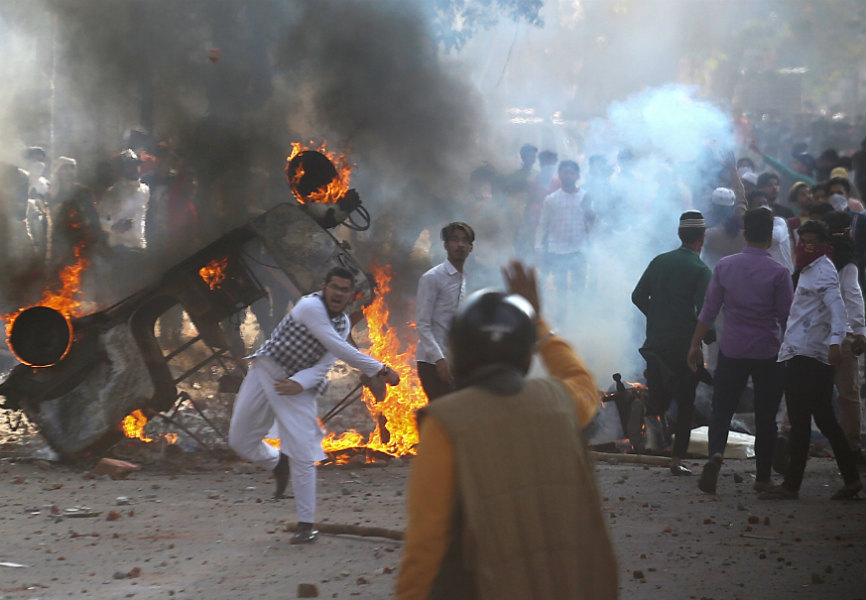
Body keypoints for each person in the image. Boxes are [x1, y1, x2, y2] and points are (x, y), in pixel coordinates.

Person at [396, 261, 618, 600]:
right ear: (524, 351)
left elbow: (426, 544)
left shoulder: (445, 421)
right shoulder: (560, 403)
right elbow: (584, 384)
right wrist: (539, 324)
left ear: (461, 351)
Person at [228, 266, 400, 544]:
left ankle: (306, 524)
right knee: (240, 440)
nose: (338, 294)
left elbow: (324, 365)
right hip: (266, 370)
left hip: (296, 384)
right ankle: (277, 462)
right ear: (324, 287)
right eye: (334, 287)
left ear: (350, 296)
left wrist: (299, 383)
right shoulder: (310, 306)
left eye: (344, 290)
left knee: (303, 449)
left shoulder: (343, 324)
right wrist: (381, 369)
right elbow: (339, 347)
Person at [688, 208, 793, 494]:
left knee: (721, 409)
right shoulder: (779, 272)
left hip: (732, 350)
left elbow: (708, 311)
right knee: (765, 416)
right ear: (770, 237)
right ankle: (762, 478)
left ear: (745, 233)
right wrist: (794, 354)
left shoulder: (725, 266)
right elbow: (787, 320)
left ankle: (716, 455)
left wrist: (695, 344)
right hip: (767, 352)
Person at [759, 220, 863, 500]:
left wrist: (834, 343)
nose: (808, 245)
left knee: (802, 419)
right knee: (825, 420)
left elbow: (838, 308)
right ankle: (851, 479)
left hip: (809, 354)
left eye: (813, 240)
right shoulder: (806, 268)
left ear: (823, 242)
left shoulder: (824, 270)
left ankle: (792, 485)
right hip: (800, 350)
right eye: (804, 240)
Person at [632, 211, 713, 475]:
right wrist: (706, 337)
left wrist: (658, 317)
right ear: (702, 237)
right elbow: (706, 312)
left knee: (659, 398)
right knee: (685, 402)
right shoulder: (700, 269)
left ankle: (649, 429)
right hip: (684, 346)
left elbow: (638, 296)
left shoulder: (659, 261)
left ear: (680, 235)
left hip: (655, 341)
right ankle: (676, 461)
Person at [823, 211, 866, 465]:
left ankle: (792, 435)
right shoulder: (847, 261)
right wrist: (860, 331)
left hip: (816, 333)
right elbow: (853, 296)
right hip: (843, 335)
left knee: (810, 391)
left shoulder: (814, 259)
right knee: (848, 394)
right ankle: (851, 447)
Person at [415, 222, 474, 402]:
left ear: (471, 248)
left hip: (452, 361)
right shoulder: (432, 278)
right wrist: (439, 360)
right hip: (431, 362)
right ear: (446, 245)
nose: (460, 245)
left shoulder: (463, 279)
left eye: (465, 241)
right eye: (455, 240)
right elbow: (423, 324)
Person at [534, 160, 594, 318]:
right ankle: (562, 319)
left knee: (578, 287)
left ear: (578, 176)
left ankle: (578, 318)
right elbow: (543, 224)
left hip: (579, 248)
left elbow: (592, 222)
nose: (568, 175)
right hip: (557, 249)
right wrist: (538, 246)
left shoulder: (585, 196)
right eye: (565, 172)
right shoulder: (551, 199)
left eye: (571, 172)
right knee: (560, 287)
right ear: (559, 175)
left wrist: (592, 243)